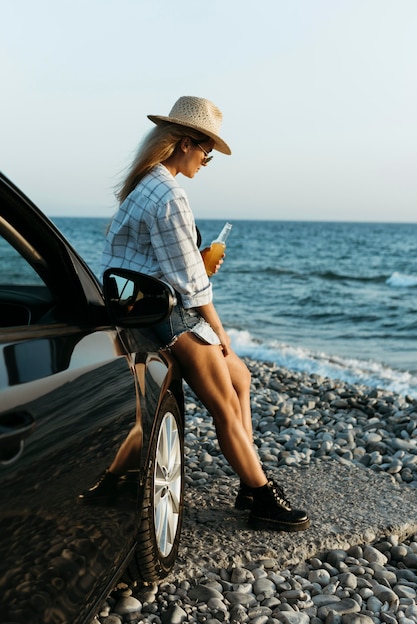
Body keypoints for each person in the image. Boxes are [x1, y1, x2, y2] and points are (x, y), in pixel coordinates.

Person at [99, 96, 310, 532]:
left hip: (147, 302)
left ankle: (249, 484)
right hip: (163, 311)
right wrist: (218, 328)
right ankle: (262, 496)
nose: (207, 160)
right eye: (206, 151)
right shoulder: (169, 194)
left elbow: (162, 260)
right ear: (183, 143)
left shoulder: (148, 184)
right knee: (223, 403)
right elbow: (190, 281)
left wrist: (197, 262)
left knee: (241, 379)